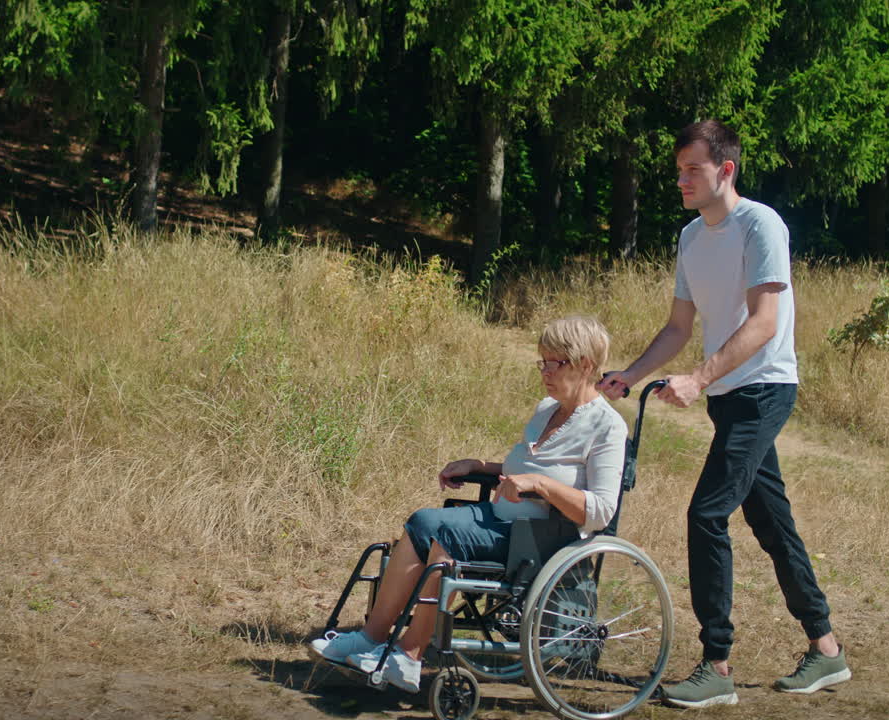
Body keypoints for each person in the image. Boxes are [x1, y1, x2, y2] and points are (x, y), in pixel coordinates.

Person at [598, 119, 850, 709]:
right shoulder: (691, 236)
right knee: (771, 524)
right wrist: (632, 374)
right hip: (729, 398)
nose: (681, 178)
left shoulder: (760, 225)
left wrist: (698, 378)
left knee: (707, 514)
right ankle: (828, 650)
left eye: (693, 169)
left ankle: (716, 664)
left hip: (764, 390)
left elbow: (764, 322)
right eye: (679, 168)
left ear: (725, 170)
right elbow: (678, 326)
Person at [309, 315, 628, 693]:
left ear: (586, 365)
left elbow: (602, 510)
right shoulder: (548, 408)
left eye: (554, 363)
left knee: (447, 534)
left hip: (540, 540)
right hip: (500, 520)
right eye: (542, 362)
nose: (544, 371)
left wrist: (541, 485)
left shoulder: (607, 427)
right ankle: (372, 637)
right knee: (423, 523)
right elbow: (523, 468)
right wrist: (480, 466)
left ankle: (410, 655)